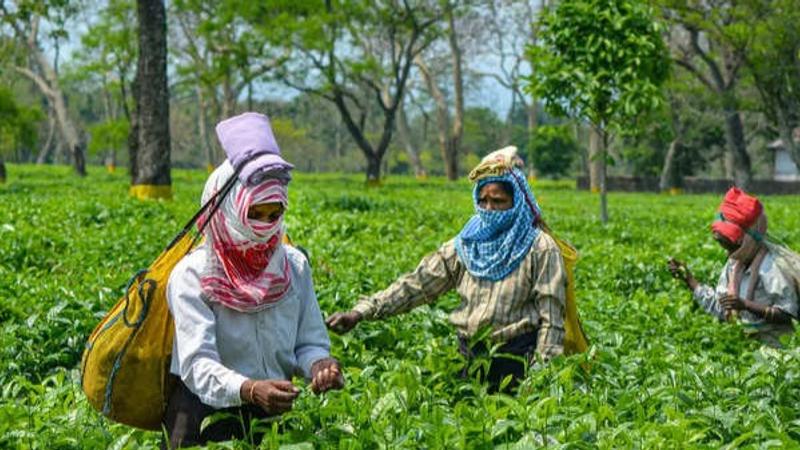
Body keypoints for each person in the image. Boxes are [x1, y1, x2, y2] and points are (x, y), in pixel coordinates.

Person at [163, 113, 343, 448]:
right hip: (203, 418)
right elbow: (197, 364)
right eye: (254, 214)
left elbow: (308, 341)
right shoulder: (194, 274)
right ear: (229, 209)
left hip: (271, 418)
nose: (264, 227)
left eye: (274, 215)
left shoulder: (293, 265)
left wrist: (319, 364)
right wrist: (247, 389)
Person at [326, 146, 567, 391]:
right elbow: (418, 284)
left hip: (517, 362)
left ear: (516, 202)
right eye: (483, 201)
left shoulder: (539, 247)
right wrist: (361, 312)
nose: (489, 209)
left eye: (498, 201)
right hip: (469, 359)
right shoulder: (466, 243)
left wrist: (539, 378)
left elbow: (552, 320)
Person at [669, 187, 800, 347]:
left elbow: (787, 314)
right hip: (742, 346)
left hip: (776, 351)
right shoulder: (735, 266)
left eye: (731, 246)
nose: (729, 253)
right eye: (725, 246)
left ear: (747, 240)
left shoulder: (771, 267)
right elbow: (723, 307)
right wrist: (689, 280)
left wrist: (746, 305)